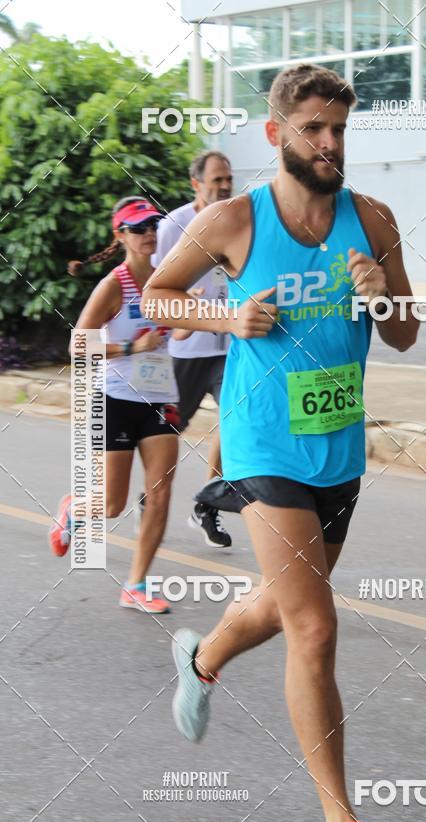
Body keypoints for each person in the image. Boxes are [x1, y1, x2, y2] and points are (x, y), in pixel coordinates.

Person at [143, 64, 419, 822]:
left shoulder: (373, 219)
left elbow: (404, 335)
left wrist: (380, 296)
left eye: (339, 129)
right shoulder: (233, 221)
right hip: (263, 449)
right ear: (276, 136)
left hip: (337, 447)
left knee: (284, 597)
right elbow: (156, 295)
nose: (330, 144)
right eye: (313, 130)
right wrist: (224, 313)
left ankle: (200, 659)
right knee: (315, 624)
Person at [48, 197, 180, 614]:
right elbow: (76, 345)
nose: (148, 234)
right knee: (111, 505)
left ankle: (136, 584)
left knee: (160, 495)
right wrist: (131, 345)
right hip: (115, 399)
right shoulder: (113, 284)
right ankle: (74, 507)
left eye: (153, 226)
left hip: (160, 398)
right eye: (139, 228)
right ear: (120, 235)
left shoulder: (166, 279)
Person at [144, 151, 233, 549]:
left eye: (228, 178)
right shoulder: (174, 225)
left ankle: (207, 504)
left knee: (237, 419)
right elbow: (156, 289)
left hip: (230, 344)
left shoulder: (236, 219)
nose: (225, 185)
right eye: (216, 179)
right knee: (166, 432)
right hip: (186, 349)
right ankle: (152, 497)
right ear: (196, 184)